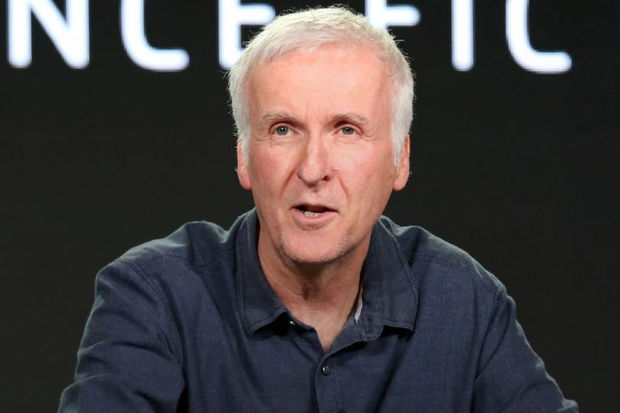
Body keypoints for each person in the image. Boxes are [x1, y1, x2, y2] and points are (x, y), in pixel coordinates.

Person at [58, 6, 577, 412]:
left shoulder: (463, 299)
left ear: (400, 160)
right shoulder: (153, 296)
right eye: (283, 130)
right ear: (244, 158)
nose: (312, 168)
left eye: (346, 130)